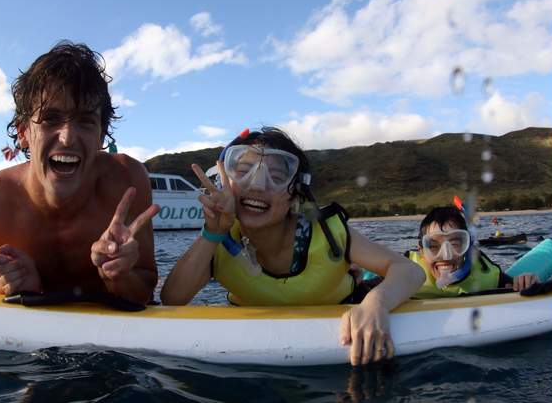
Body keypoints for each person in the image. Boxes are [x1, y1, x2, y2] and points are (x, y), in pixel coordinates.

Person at [159, 127, 425, 366]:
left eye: (276, 176)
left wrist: (375, 303)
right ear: (224, 182)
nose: (257, 184)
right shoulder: (220, 242)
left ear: (295, 194)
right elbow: (172, 298)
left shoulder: (327, 233)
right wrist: (212, 233)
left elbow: (410, 270)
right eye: (243, 172)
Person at [0, 41, 160, 305]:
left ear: (101, 134)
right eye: (50, 119)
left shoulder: (126, 182)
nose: (67, 138)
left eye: (86, 121)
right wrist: (23, 287)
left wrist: (118, 276)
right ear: (23, 133)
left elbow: (143, 291)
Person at [398, 205, 552, 298]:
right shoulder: (405, 274)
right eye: (433, 246)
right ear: (421, 251)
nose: (446, 255)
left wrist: (525, 280)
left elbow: (515, 285)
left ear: (467, 247)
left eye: (455, 243)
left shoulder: (486, 273)